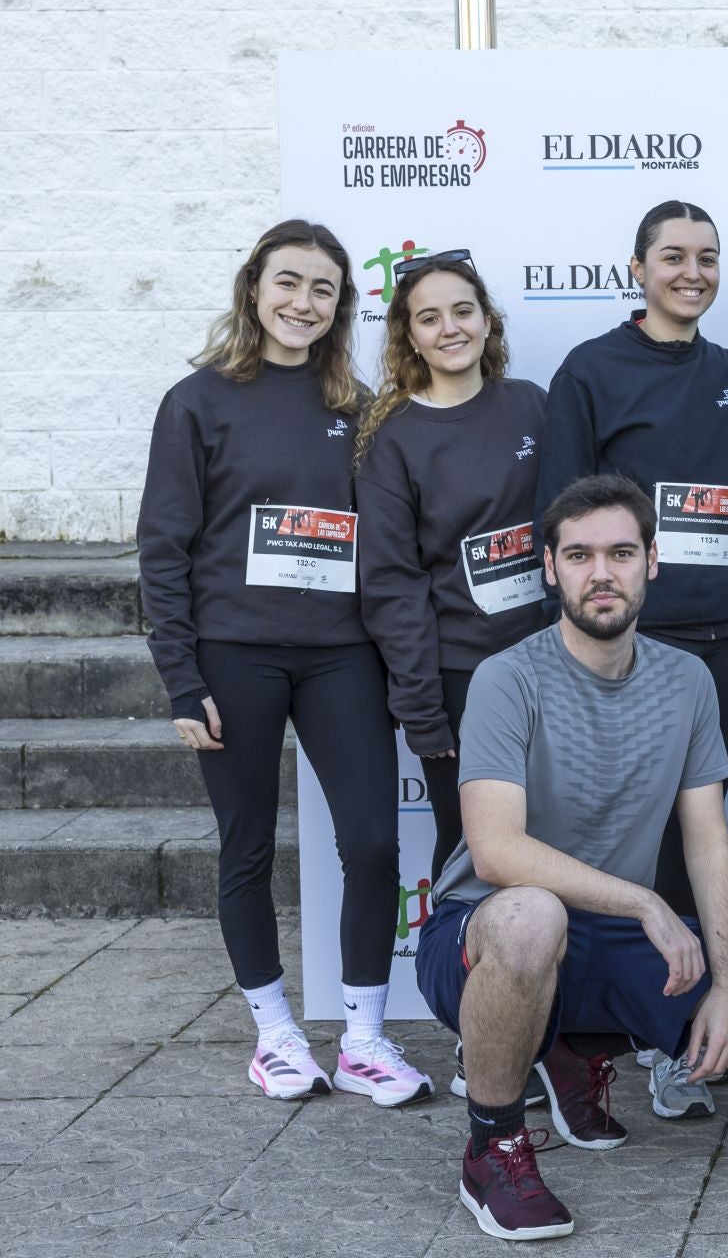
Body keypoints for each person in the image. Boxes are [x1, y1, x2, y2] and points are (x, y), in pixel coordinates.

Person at [416, 474, 728, 1242]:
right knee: (534, 917)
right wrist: (645, 903)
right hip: (482, 931)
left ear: (653, 562)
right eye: (578, 555)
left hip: (600, 939)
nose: (600, 572)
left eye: (620, 552)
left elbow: (707, 838)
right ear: (549, 569)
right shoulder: (508, 677)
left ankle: (571, 1048)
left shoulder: (688, 680)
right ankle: (492, 1146)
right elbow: (498, 851)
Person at [137, 219, 427, 1106]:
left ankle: (366, 1038)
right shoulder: (198, 401)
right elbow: (163, 548)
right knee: (248, 847)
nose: (303, 302)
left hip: (342, 656)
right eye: (289, 283)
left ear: (341, 307)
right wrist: (183, 678)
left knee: (375, 843)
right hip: (234, 656)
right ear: (254, 288)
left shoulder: (359, 405)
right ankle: (275, 1034)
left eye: (324, 289)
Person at [537, 201, 728, 916]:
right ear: (637, 269)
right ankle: (609, 994)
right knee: (620, 825)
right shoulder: (590, 371)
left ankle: (681, 996)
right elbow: (562, 515)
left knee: (696, 825)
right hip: (631, 642)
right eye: (674, 257)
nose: (692, 273)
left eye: (707, 258)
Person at [355, 250, 547, 880]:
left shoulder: (532, 407)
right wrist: (423, 710)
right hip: (461, 675)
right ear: (409, 337)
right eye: (430, 318)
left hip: (553, 665)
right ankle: (464, 980)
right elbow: (391, 583)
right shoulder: (393, 438)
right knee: (471, 852)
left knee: (562, 842)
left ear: (488, 321)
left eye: (463, 311)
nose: (451, 328)